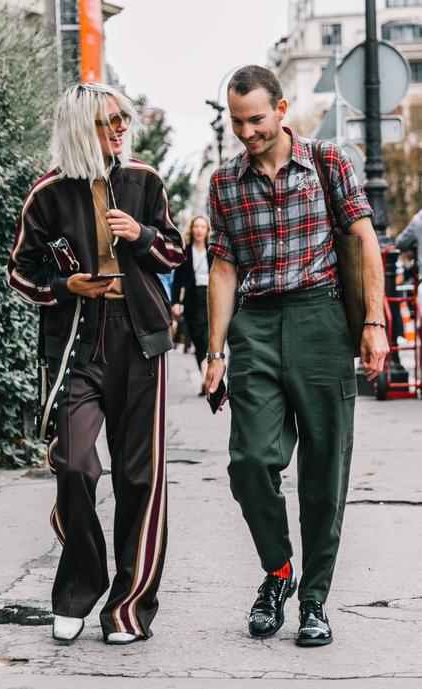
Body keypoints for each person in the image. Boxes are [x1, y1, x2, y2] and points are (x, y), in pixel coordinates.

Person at [205, 65, 388, 647]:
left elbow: (362, 239)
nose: (247, 131)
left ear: (282, 110)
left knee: (323, 470)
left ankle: (314, 600)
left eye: (256, 119)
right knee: (250, 461)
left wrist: (374, 322)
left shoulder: (329, 162)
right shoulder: (224, 182)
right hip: (254, 326)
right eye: (237, 121)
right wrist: (213, 351)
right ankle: (277, 570)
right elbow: (224, 266)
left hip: (321, 318)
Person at [7, 83, 186, 645]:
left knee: (140, 478)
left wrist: (143, 235)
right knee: (76, 465)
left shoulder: (144, 180)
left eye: (122, 120)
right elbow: (20, 272)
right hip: (76, 347)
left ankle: (128, 609)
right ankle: (80, 585)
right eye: (108, 121)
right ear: (80, 127)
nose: (119, 129)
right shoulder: (48, 194)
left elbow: (176, 251)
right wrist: (66, 286)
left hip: (139, 341)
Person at [171, 215, 213, 394]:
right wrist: (175, 302)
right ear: (192, 229)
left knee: (206, 340)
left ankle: (207, 381)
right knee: (197, 339)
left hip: (210, 298)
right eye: (196, 226)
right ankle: (206, 378)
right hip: (192, 300)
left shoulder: (212, 251)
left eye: (203, 226)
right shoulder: (185, 252)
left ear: (207, 230)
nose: (199, 230)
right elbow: (177, 281)